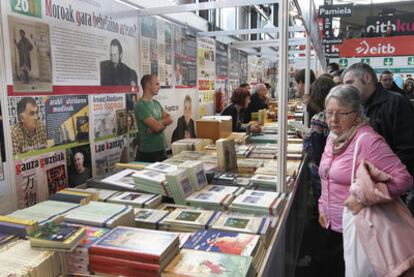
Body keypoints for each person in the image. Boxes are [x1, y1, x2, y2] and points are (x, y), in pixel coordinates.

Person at [318, 85, 413, 276]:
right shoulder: (333, 138)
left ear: (356, 114)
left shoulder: (368, 141)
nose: (333, 119)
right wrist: (322, 207)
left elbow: (405, 179)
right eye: (329, 113)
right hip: (331, 224)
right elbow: (327, 176)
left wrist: (362, 197)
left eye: (341, 113)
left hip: (358, 229)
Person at [342, 63, 414, 214]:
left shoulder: (396, 102)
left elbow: (407, 149)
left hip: (392, 188)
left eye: (350, 82)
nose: (347, 89)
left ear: (367, 78)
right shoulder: (358, 107)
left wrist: (384, 183)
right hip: (366, 186)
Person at [304, 77, 336, 213]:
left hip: (323, 173)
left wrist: (307, 140)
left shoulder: (320, 118)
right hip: (338, 170)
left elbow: (317, 156)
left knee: (323, 210)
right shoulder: (337, 114)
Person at [135, 74, 172, 162]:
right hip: (149, 152)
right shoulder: (141, 106)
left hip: (161, 149)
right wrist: (160, 125)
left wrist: (156, 126)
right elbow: (157, 127)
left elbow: (170, 119)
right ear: (148, 85)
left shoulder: (156, 103)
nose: (159, 87)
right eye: (157, 84)